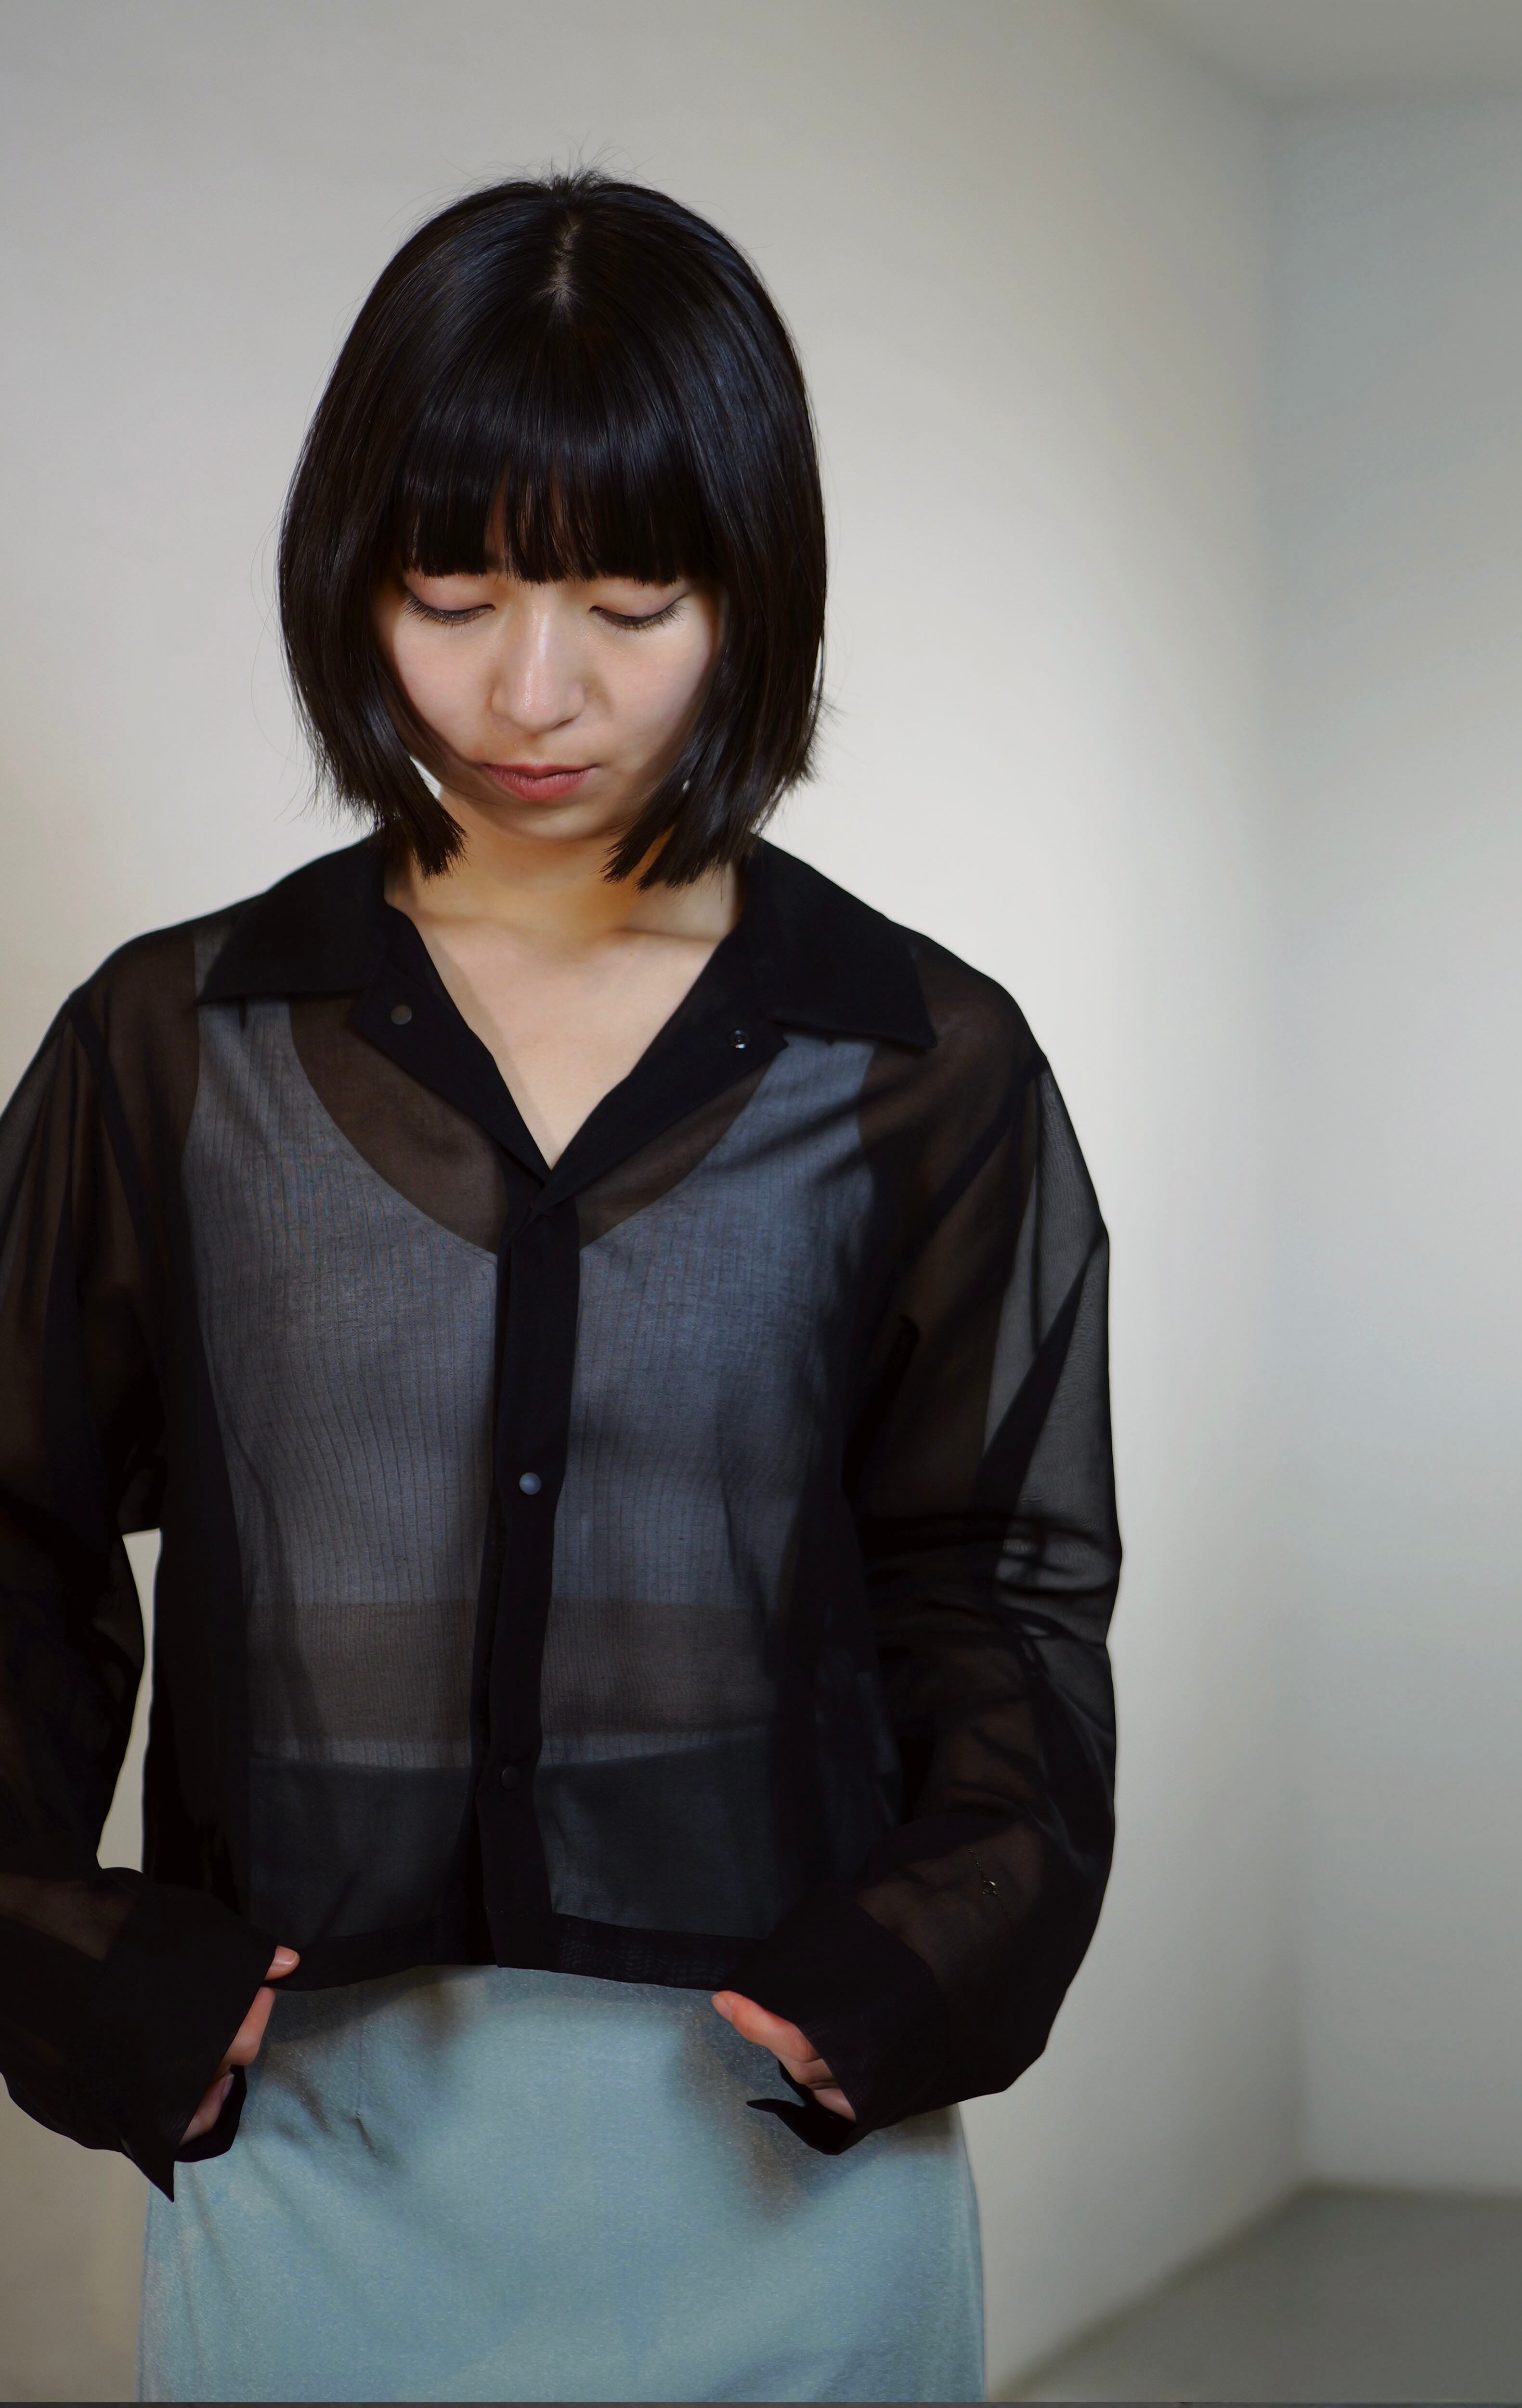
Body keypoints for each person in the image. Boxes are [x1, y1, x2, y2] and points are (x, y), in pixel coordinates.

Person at [0, 171, 1119, 2401]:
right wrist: (76, 1964)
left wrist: (933, 1956)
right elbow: (6, 1531)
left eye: (630, 599)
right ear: (352, 576)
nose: (534, 689)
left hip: (787, 2128)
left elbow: (994, 1576)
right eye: (453, 592)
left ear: (752, 590)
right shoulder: (176, 1047)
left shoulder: (917, 1061)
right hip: (317, 2135)